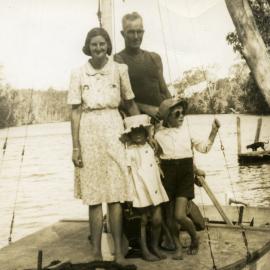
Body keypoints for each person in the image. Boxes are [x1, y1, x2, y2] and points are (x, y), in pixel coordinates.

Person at [67, 27, 140, 263]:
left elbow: (129, 104)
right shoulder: (78, 73)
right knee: (94, 195)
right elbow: (75, 112)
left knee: (116, 194)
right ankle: (96, 253)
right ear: (88, 47)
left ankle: (119, 252)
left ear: (108, 45)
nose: (98, 48)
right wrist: (76, 147)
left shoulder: (120, 70)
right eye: (94, 44)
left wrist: (142, 131)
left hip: (114, 131)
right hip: (89, 132)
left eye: (102, 44)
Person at [154, 98, 220, 259]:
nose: (182, 116)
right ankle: (177, 247)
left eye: (183, 113)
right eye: (177, 114)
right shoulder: (157, 134)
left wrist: (213, 131)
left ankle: (194, 239)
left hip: (184, 175)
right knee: (169, 218)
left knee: (179, 215)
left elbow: (204, 148)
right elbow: (155, 157)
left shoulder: (188, 131)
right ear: (167, 117)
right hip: (168, 176)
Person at [121, 114, 169, 261]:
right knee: (141, 220)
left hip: (154, 185)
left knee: (157, 219)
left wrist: (159, 169)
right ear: (129, 134)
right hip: (140, 187)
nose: (138, 134)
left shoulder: (149, 146)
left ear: (146, 132)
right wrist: (129, 193)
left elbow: (155, 161)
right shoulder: (129, 151)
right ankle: (145, 250)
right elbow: (127, 173)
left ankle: (154, 245)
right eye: (134, 131)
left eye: (141, 131)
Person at [114, 12, 171, 117]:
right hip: (135, 121)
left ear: (143, 33)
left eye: (139, 32)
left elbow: (164, 91)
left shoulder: (154, 58)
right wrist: (146, 108)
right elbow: (117, 99)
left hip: (160, 118)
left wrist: (173, 109)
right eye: (131, 32)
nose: (136, 37)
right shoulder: (117, 60)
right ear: (123, 34)